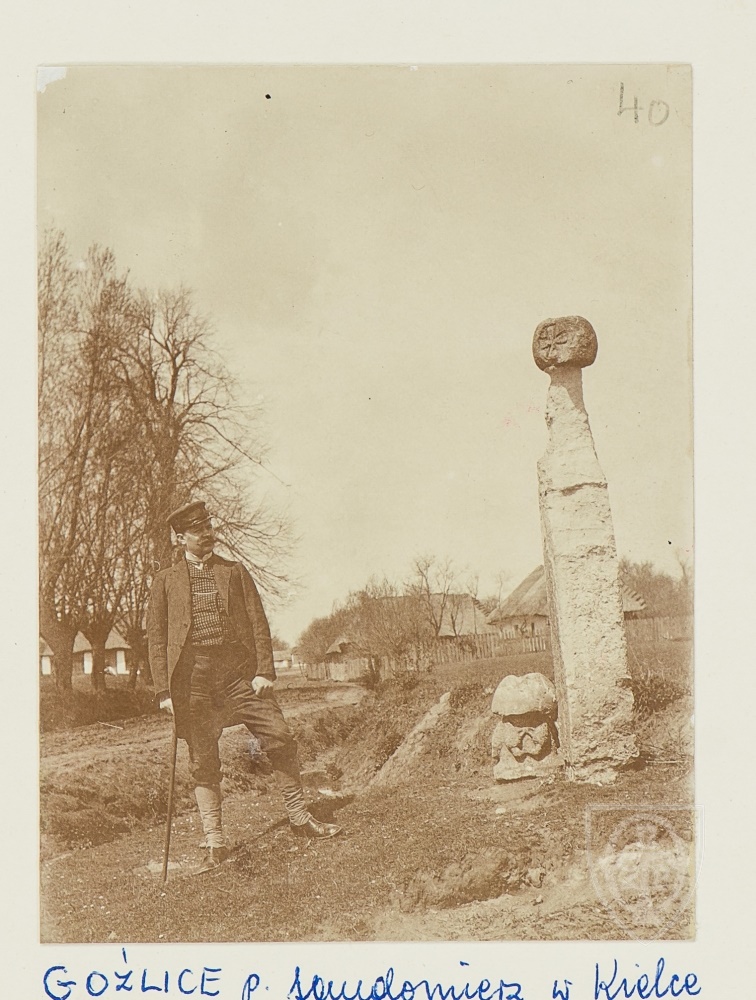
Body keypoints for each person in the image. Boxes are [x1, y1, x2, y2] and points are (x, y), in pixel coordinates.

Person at [147, 500, 341, 867]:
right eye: (198, 530)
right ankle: (215, 841)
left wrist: (265, 671)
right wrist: (163, 691)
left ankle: (299, 818)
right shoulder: (165, 581)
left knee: (280, 735)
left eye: (209, 527)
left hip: (237, 675)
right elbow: (156, 640)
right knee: (203, 759)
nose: (207, 534)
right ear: (180, 538)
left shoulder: (234, 572)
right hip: (193, 683)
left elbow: (258, 622)